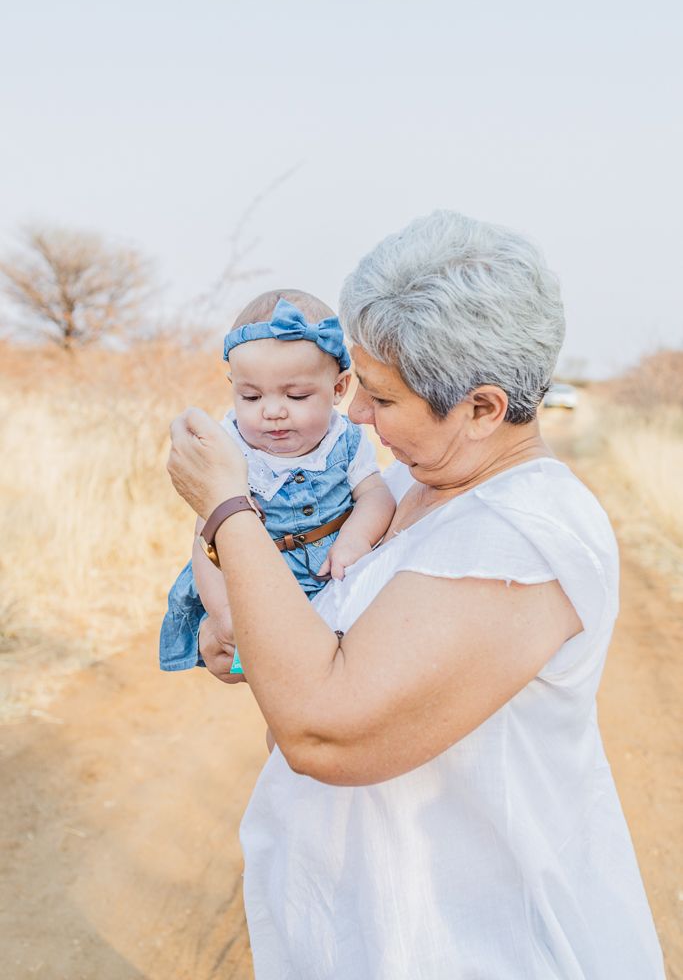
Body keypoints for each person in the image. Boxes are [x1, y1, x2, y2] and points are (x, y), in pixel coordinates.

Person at [167, 210, 665, 979]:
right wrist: (237, 633)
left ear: (481, 409)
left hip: (471, 944)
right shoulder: (411, 481)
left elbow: (323, 731)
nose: (356, 415)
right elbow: (321, 641)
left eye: (381, 398)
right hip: (369, 928)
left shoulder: (518, 537)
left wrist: (226, 512)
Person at [160, 289, 395, 677]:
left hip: (329, 576)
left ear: (339, 389)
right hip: (249, 583)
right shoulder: (230, 447)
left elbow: (375, 495)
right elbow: (206, 541)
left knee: (334, 667)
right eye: (250, 397)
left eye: (297, 395)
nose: (272, 411)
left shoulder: (345, 440)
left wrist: (355, 538)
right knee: (251, 665)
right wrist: (223, 614)